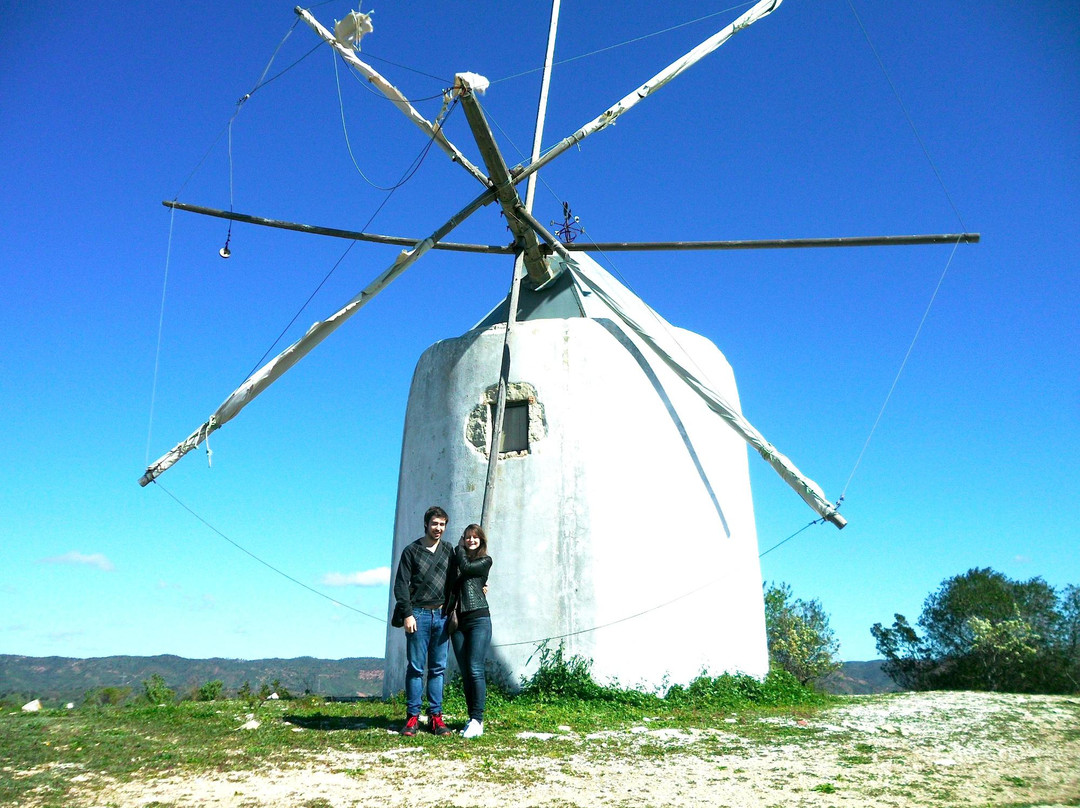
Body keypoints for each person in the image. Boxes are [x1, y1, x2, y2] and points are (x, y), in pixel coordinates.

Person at [392, 505, 456, 736]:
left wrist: (481, 584)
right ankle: (412, 718)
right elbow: (401, 584)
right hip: (418, 614)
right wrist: (407, 613)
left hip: (441, 615)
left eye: (442, 524)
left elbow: (463, 573)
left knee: (438, 669)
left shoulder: (449, 550)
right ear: (426, 524)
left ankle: (436, 718)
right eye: (435, 524)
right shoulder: (412, 551)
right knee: (416, 668)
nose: (438, 528)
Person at [450, 523, 493, 738]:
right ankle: (471, 718)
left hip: (478, 619)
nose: (470, 541)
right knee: (466, 671)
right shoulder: (457, 559)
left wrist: (458, 549)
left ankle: (478, 719)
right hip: (457, 621)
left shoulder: (485, 561)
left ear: (481, 541)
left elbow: (467, 569)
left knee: (475, 668)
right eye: (467, 537)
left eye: (474, 538)